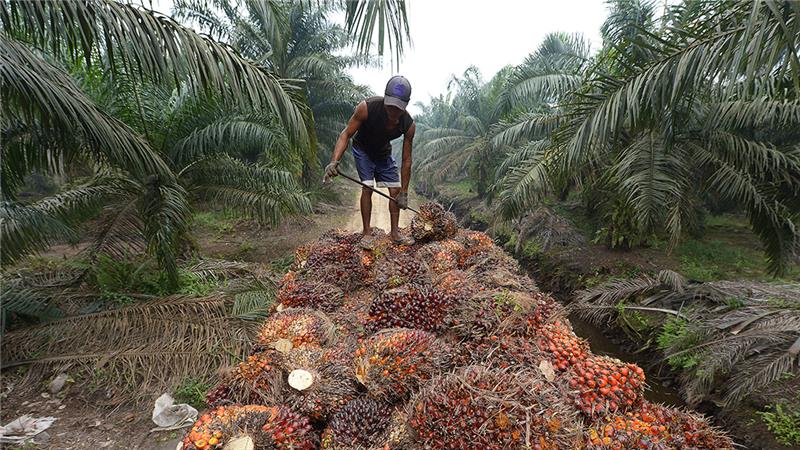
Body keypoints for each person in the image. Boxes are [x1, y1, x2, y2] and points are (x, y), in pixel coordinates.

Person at [325, 75, 416, 243]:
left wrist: (404, 192)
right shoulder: (367, 108)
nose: (393, 112)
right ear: (385, 99)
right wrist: (334, 161)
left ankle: (395, 233)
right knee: (367, 187)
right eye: (390, 107)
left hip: (383, 153)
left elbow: (406, 160)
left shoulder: (408, 125)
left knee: (395, 190)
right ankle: (366, 233)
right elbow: (346, 134)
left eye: (398, 108)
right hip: (363, 150)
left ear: (405, 106)